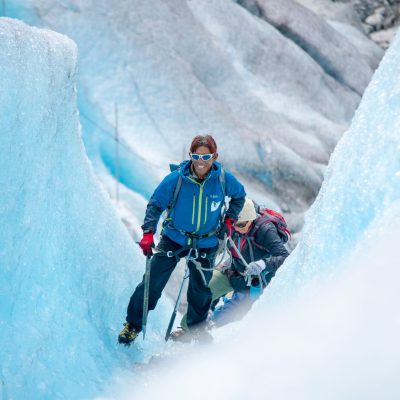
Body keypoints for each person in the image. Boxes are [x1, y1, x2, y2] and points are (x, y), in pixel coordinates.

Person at [118, 134, 246, 345]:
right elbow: (156, 204)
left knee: (201, 290)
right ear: (190, 155)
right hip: (174, 237)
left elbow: (239, 196)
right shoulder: (176, 179)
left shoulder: (223, 179)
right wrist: (148, 233)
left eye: (206, 156)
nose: (201, 161)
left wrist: (230, 220)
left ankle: (195, 329)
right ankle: (132, 325)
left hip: (206, 241)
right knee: (152, 282)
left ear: (215, 156)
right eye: (196, 156)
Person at [172, 198, 289, 341]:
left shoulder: (266, 230)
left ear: (251, 219)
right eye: (234, 224)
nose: (237, 228)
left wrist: (263, 264)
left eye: (241, 224)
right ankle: (186, 330)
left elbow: (284, 256)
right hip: (234, 269)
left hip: (257, 281)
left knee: (232, 317)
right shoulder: (231, 225)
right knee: (205, 289)